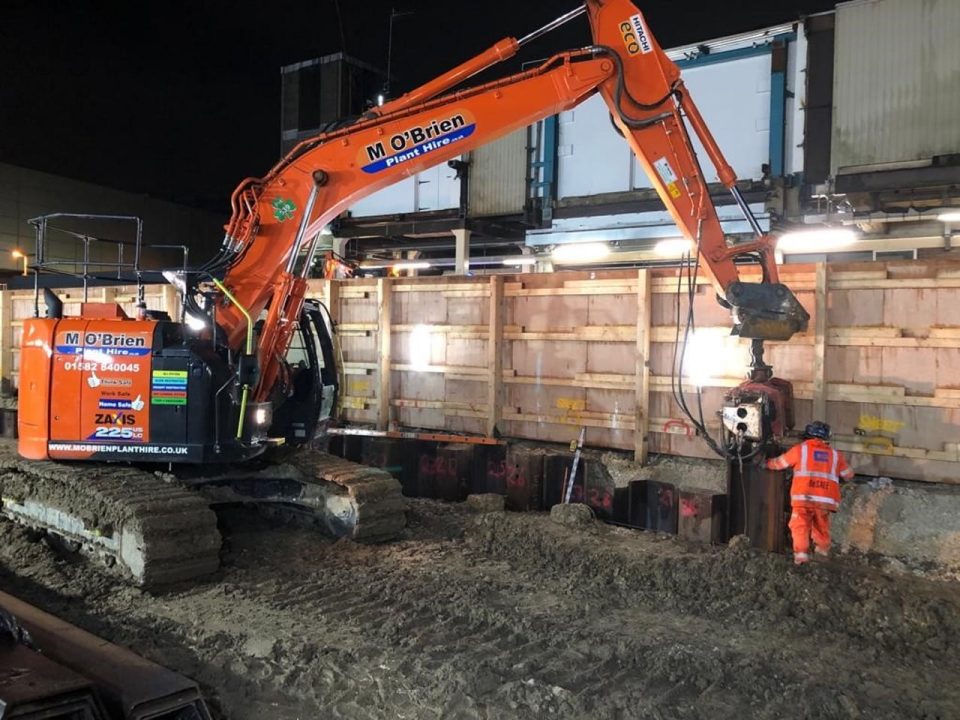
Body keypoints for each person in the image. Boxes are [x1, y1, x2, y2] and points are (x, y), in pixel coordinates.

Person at [764, 421, 854, 565]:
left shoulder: (801, 450)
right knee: (821, 526)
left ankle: (801, 558)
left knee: (799, 525)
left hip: (803, 498)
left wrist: (766, 463)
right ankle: (822, 553)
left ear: (808, 436)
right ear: (826, 438)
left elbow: (779, 463)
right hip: (825, 501)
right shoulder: (836, 455)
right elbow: (848, 474)